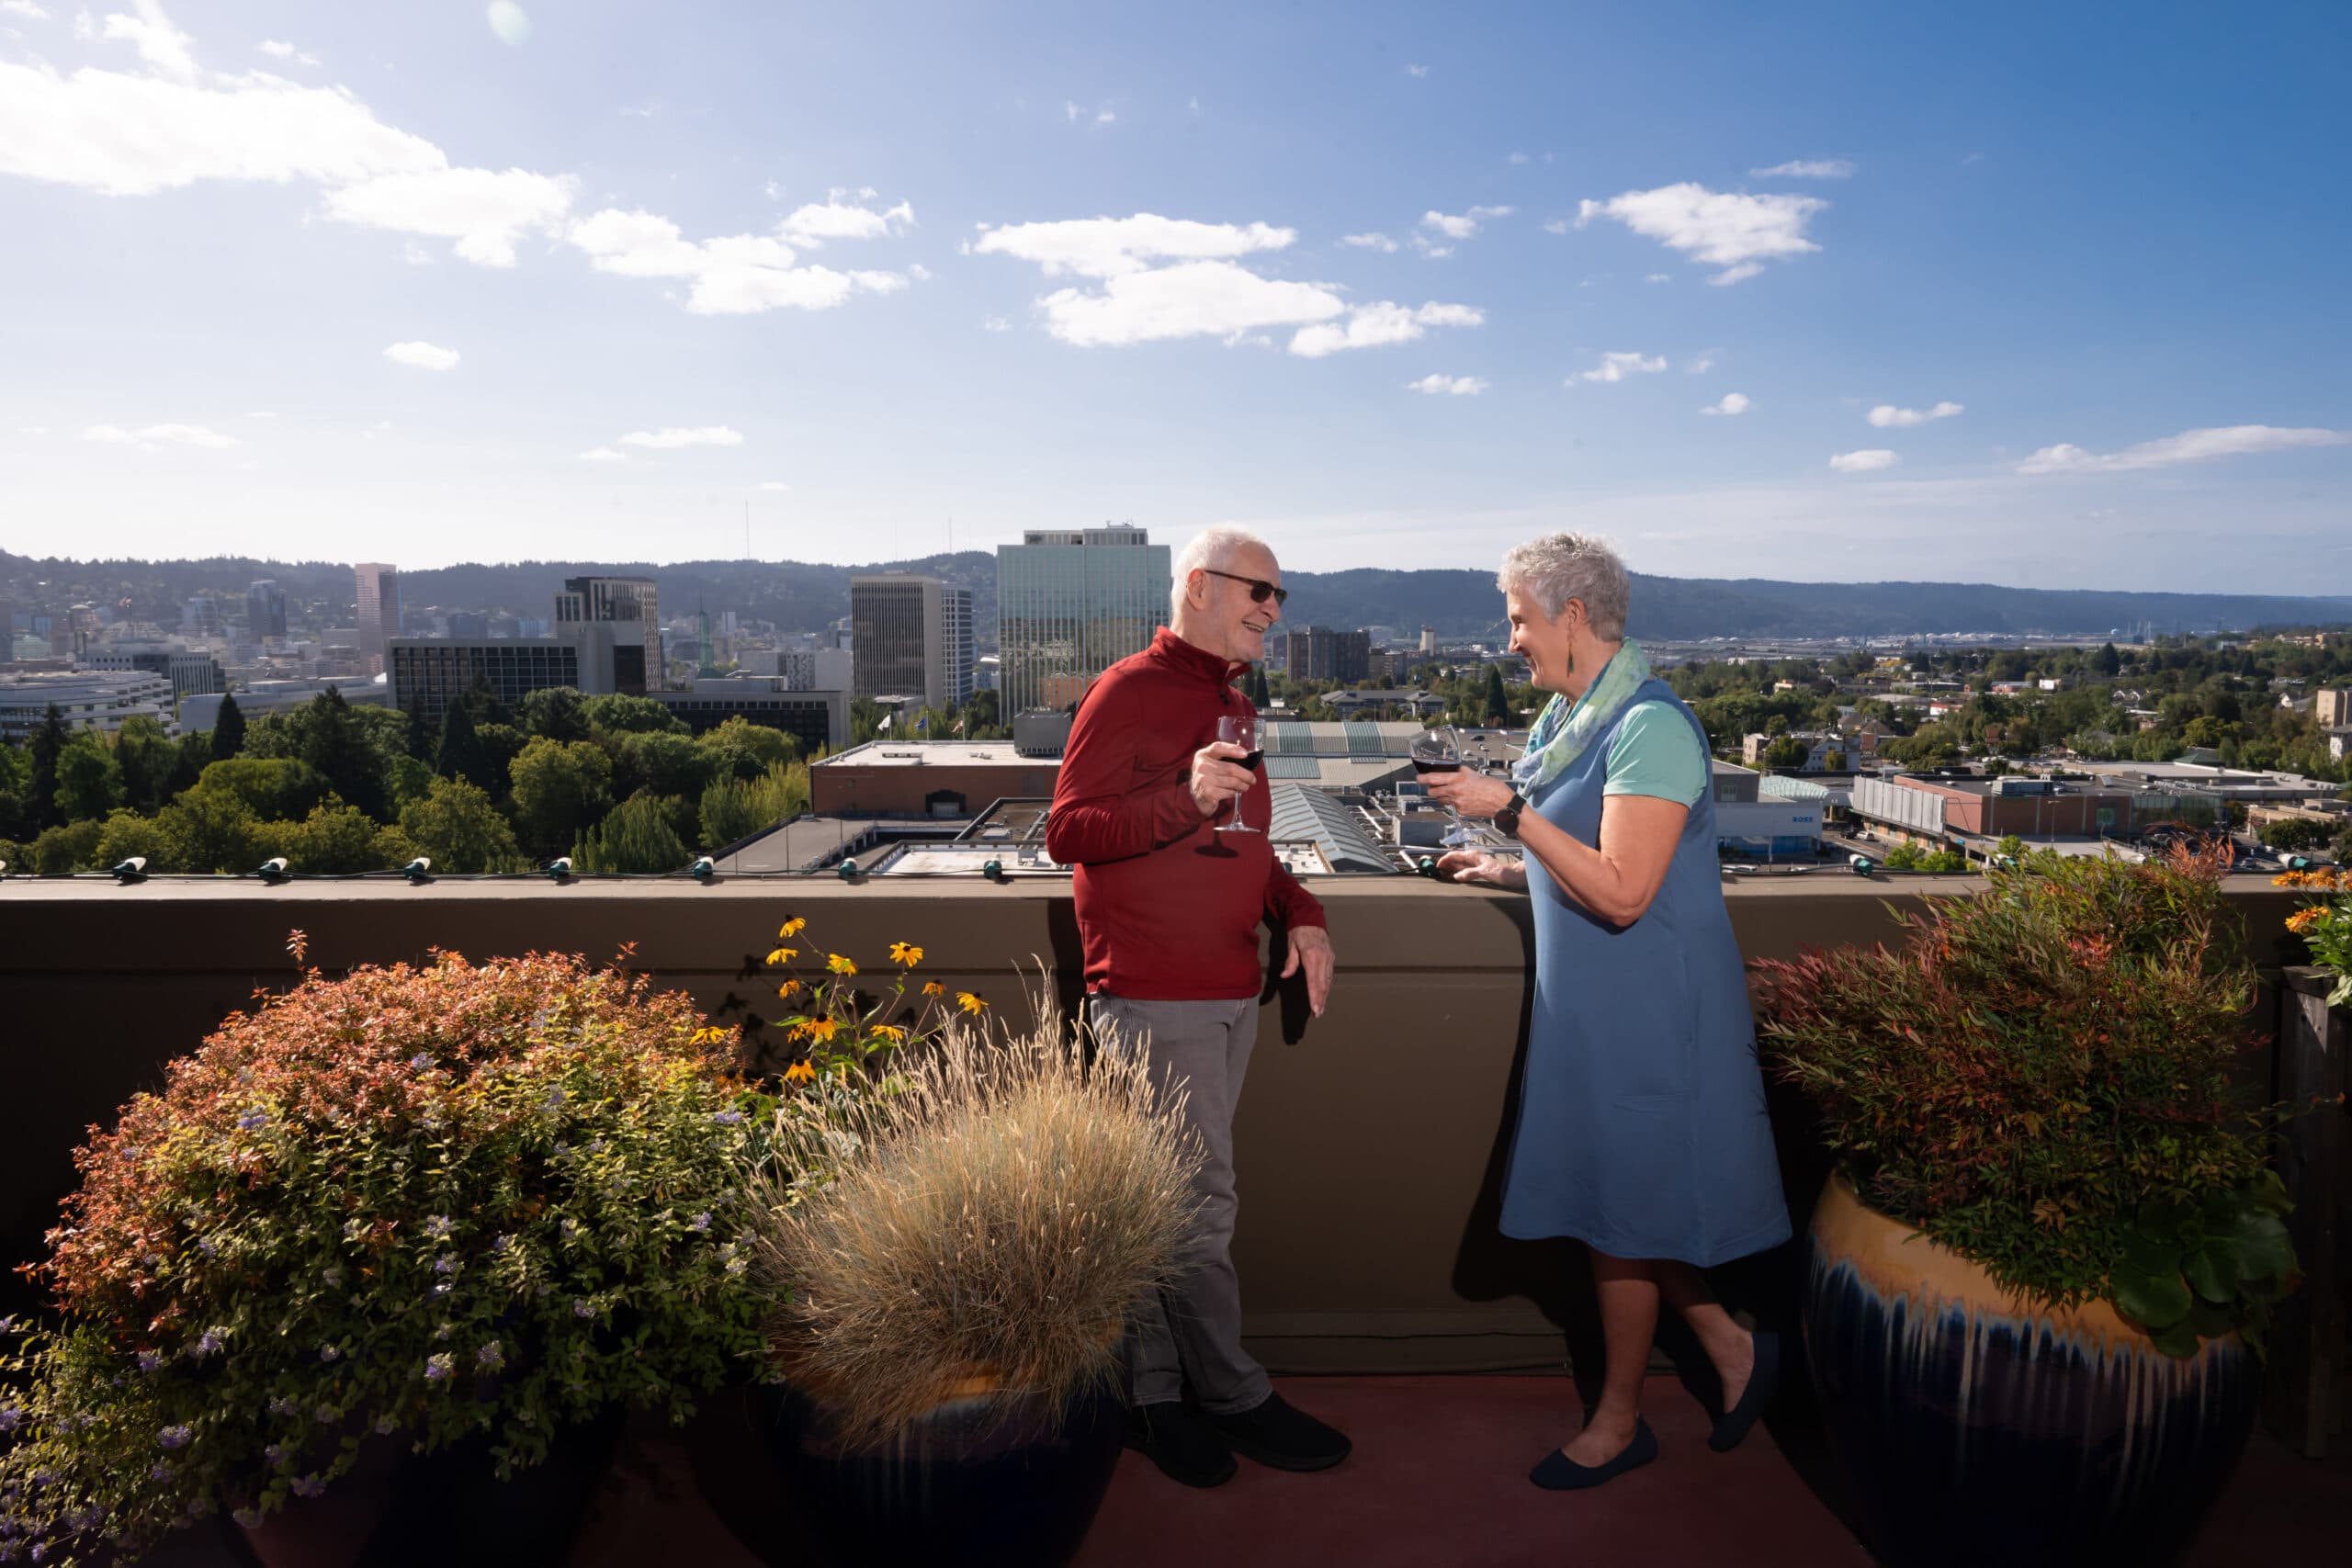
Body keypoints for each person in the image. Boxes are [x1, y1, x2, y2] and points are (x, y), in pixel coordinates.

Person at [1427, 532, 1789, 1491]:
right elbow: (1584, 852)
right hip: (1594, 1013)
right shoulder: (1574, 717)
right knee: (1617, 1207)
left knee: (1621, 1213)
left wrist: (1507, 816)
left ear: (1572, 615)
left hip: (1648, 1015)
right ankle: (1734, 1349)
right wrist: (1507, 865)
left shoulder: (1650, 727)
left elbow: (1627, 891)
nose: (1510, 640)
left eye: (1518, 618)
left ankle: (1619, 1422)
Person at [1044, 524, 1348, 1489]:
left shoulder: (1231, 703)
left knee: (1167, 1203)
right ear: (1198, 587)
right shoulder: (1130, 690)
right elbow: (1068, 833)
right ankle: (1232, 1395)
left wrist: (1300, 913)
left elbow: (1248, 842)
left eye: (1278, 596)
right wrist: (1182, 796)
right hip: (1153, 992)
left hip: (1224, 990)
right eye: (1259, 590)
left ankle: (1156, 1399)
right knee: (1197, 1206)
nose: (1271, 609)